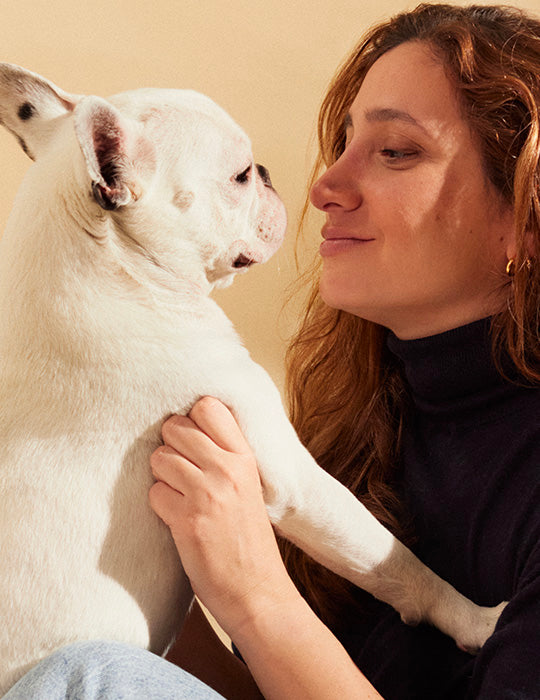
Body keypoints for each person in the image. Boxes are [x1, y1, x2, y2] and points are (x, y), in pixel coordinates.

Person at [5, 3, 540, 699]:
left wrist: (259, 597)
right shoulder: (364, 415)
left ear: (525, 219)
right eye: (344, 142)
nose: (322, 187)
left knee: (86, 677)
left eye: (395, 151)